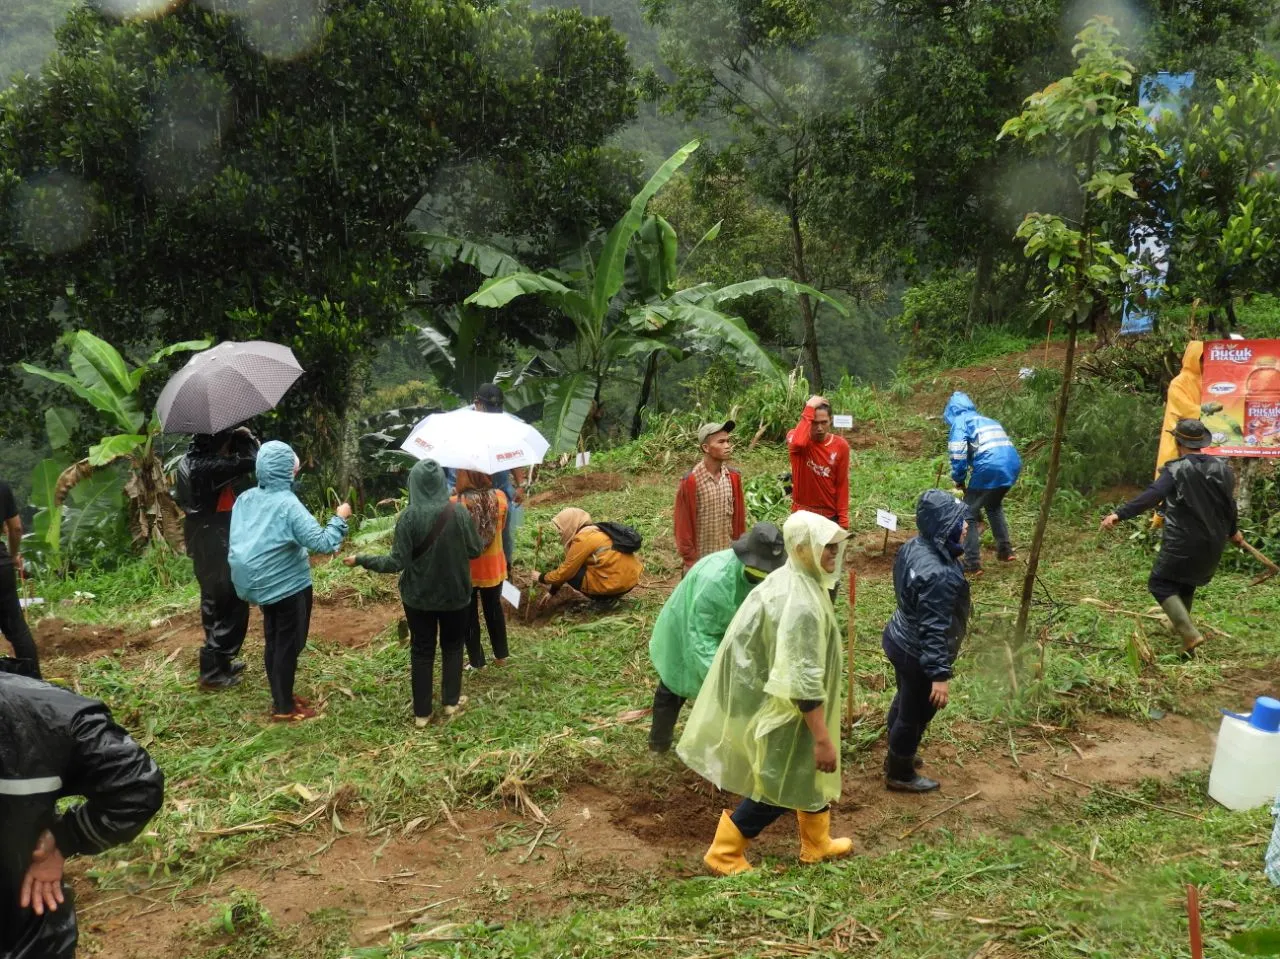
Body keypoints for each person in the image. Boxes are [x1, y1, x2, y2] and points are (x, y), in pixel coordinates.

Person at [678, 511, 853, 875]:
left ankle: (817, 843)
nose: (834, 557)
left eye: (837, 549)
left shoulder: (792, 579)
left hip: (779, 699)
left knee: (805, 772)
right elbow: (803, 681)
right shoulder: (802, 603)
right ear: (803, 549)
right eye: (827, 549)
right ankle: (724, 852)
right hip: (789, 709)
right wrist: (822, 737)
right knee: (777, 783)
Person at [0, 665, 164, 959]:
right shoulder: (41, 710)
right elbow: (137, 786)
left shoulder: (45, 715)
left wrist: (67, 837)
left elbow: (136, 785)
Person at [348, 459, 482, 725]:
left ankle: (422, 714)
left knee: (422, 649)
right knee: (453, 646)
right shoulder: (460, 513)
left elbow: (396, 562)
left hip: (418, 597)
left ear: (415, 484)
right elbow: (475, 550)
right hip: (455, 595)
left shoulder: (408, 518)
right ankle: (450, 703)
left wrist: (362, 559)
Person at [228, 441, 351, 722]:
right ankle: (283, 707)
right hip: (287, 585)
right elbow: (323, 542)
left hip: (260, 585)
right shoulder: (287, 505)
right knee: (288, 644)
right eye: (292, 468)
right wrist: (340, 517)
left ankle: (280, 695)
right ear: (285, 472)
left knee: (274, 640)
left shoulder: (245, 498)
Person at [1101, 418, 1241, 655]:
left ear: (1178, 442)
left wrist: (1119, 514)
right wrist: (1233, 531)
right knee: (1185, 582)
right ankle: (1180, 627)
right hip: (1213, 541)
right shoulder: (1222, 468)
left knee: (1160, 584)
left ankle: (1189, 634)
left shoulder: (1176, 469)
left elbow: (1152, 495)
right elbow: (1230, 505)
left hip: (1184, 540)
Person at [648, 522, 786, 752]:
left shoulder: (763, 576)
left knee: (736, 681)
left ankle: (727, 743)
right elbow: (701, 638)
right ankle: (659, 745)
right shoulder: (716, 581)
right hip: (686, 625)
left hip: (725, 625)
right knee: (674, 684)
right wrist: (721, 680)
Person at [881, 489, 971, 793]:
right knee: (916, 712)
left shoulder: (913, 546)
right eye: (961, 521)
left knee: (905, 698)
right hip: (917, 652)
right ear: (944, 526)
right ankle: (900, 771)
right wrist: (939, 676)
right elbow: (934, 627)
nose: (967, 525)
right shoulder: (940, 575)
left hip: (898, 636)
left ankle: (896, 752)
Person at [174, 427, 259, 690]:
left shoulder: (188, 461)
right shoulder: (208, 465)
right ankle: (213, 671)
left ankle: (216, 663)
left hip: (201, 537)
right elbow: (258, 462)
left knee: (213, 600)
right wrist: (247, 438)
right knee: (231, 600)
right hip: (215, 539)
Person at [445, 384, 528, 568]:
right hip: (463, 491)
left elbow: (513, 453)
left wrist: (521, 483)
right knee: (464, 536)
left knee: (502, 536)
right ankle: (466, 579)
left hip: (499, 490)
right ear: (477, 404)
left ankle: (504, 574)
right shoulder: (457, 424)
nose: (493, 415)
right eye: (489, 410)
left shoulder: (504, 423)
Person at [943, 391, 1022, 574]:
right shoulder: (987, 420)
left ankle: (972, 563)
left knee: (967, 514)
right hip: (1012, 464)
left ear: (952, 411)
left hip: (990, 467)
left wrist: (959, 478)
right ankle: (1005, 551)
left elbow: (958, 452)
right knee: (993, 506)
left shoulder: (960, 422)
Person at [451, 470, 509, 670]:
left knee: (468, 616)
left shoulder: (455, 504)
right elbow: (500, 528)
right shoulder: (500, 498)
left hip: (466, 570)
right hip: (493, 566)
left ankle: (477, 662)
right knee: (494, 609)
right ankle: (501, 655)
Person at [674, 421, 746, 573]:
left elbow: (739, 520)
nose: (727, 445)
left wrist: (739, 550)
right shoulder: (691, 481)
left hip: (727, 557)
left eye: (728, 441)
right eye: (721, 442)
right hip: (701, 562)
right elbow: (683, 525)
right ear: (705, 448)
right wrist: (690, 560)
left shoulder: (732, 477)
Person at [536, 508, 642, 603]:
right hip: (630, 582)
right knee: (573, 567)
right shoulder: (597, 530)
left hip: (615, 585)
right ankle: (610, 596)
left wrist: (541, 577)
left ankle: (603, 599)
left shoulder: (582, 538)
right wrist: (552, 592)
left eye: (561, 528)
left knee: (570, 572)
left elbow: (566, 572)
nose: (560, 532)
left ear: (570, 524)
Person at [786, 396, 850, 529]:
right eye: (815, 423)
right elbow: (798, 443)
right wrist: (809, 407)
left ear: (830, 421)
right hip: (802, 514)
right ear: (808, 420)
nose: (819, 428)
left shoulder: (840, 445)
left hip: (828, 515)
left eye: (824, 422)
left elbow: (841, 483)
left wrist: (843, 518)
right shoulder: (795, 437)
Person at [0, 477, 39, 677]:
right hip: (1, 567)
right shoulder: (2, 486)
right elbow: (15, 528)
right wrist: (14, 555)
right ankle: (35, 683)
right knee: (17, 628)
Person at [1156, 341, 1204, 475]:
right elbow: (1185, 409)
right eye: (1201, 359)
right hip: (1177, 435)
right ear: (1192, 358)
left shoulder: (1207, 380)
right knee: (1172, 473)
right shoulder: (1179, 382)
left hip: (1196, 436)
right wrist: (1208, 411)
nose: (1203, 363)